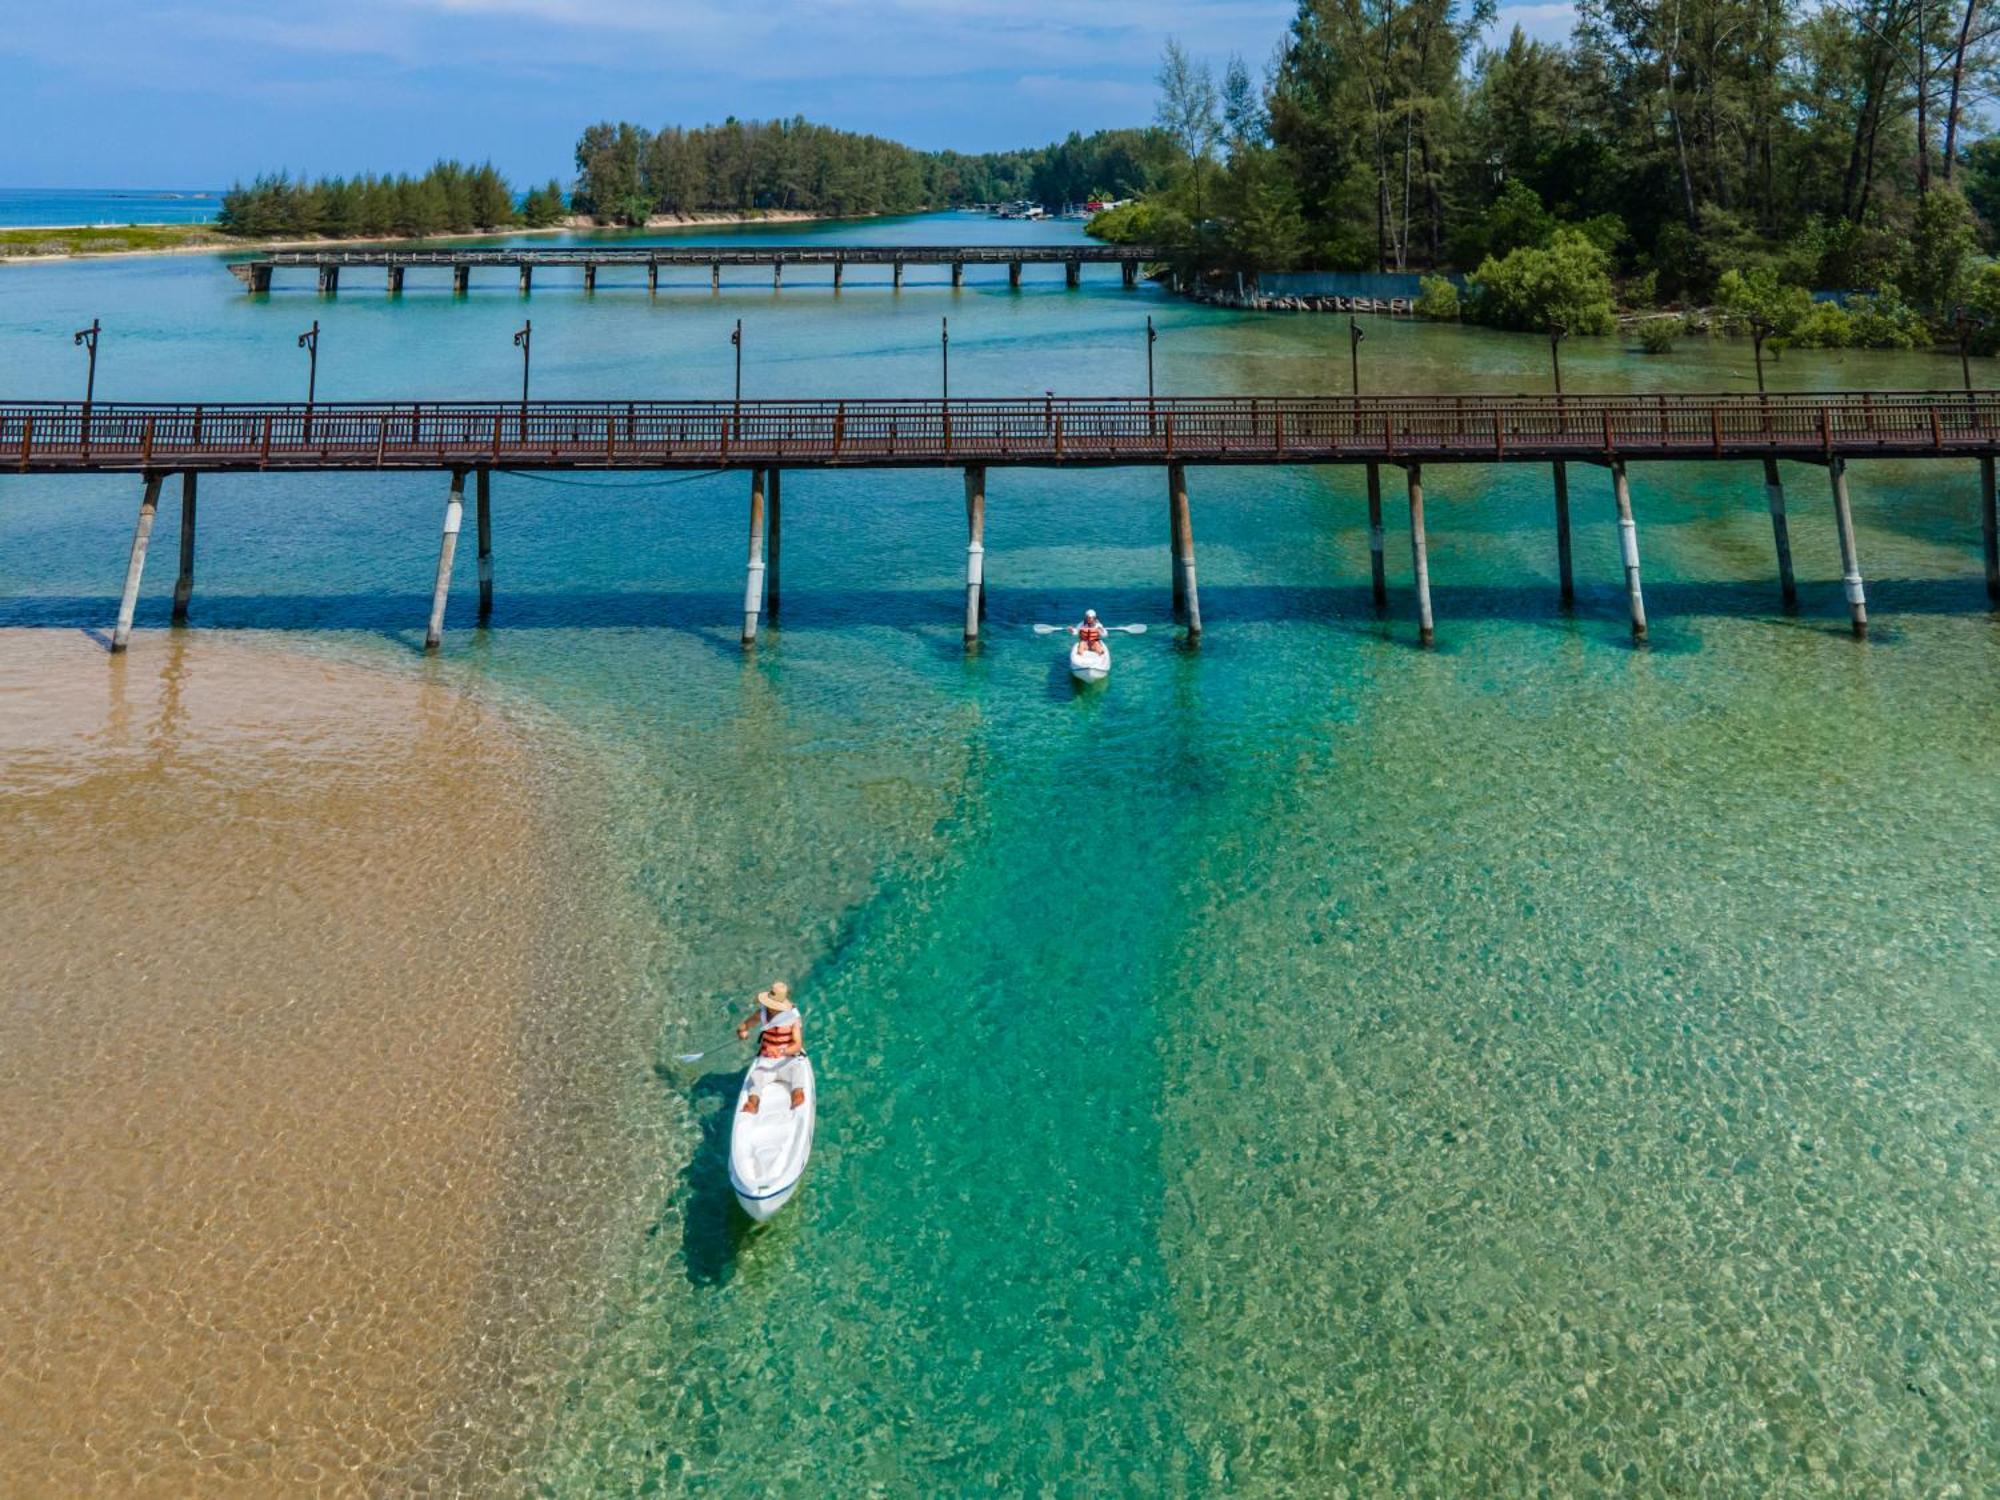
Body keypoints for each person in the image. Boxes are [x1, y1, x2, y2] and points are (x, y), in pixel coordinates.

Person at [736, 981, 807, 1114]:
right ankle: (752, 1104)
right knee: (756, 1076)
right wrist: (742, 1032)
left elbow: (797, 1045)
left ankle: (797, 1096)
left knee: (798, 1070)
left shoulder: (793, 1018)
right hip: (766, 1061)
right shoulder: (761, 1014)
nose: (769, 1007)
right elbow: (744, 1026)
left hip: (786, 1059)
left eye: (773, 1005)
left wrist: (781, 1051)